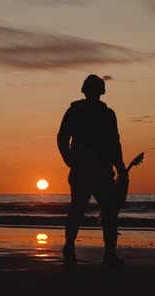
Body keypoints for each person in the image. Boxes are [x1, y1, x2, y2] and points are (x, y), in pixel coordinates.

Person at [57, 74, 128, 267]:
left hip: (91, 169)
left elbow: (114, 142)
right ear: (100, 91)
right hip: (92, 169)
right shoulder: (97, 113)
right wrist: (68, 159)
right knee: (105, 210)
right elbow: (114, 143)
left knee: (81, 209)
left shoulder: (100, 113)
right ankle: (106, 252)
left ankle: (72, 246)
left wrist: (68, 159)